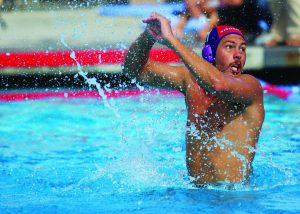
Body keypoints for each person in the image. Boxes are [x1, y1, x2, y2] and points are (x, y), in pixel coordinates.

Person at [122, 12, 265, 185]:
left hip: (233, 198)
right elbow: (134, 71)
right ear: (210, 52)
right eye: (230, 47)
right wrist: (149, 37)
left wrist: (172, 41)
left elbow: (219, 84)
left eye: (242, 48)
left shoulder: (250, 87)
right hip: (194, 194)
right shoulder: (190, 81)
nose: (238, 55)